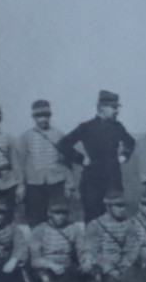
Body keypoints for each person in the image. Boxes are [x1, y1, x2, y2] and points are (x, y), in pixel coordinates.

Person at [59, 90, 137, 224]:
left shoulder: (118, 127)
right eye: (113, 107)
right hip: (91, 180)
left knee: (115, 216)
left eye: (117, 107)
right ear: (102, 107)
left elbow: (130, 142)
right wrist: (81, 159)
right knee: (93, 218)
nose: (116, 111)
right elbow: (63, 144)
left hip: (113, 179)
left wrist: (124, 156)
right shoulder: (86, 127)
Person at [18, 99, 74, 226]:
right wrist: (21, 184)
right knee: (35, 216)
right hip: (34, 182)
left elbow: (66, 161)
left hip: (57, 181)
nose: (43, 119)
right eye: (39, 116)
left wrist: (69, 184)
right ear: (34, 118)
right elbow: (21, 162)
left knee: (59, 213)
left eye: (46, 116)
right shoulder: (26, 136)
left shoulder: (59, 135)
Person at [82, 194, 143, 279]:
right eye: (118, 206)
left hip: (122, 265)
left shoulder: (128, 224)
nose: (122, 209)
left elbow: (133, 248)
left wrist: (125, 265)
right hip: (101, 266)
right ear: (108, 207)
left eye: (123, 206)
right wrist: (108, 269)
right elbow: (93, 251)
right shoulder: (95, 225)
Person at [28, 200, 85, 282]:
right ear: (49, 214)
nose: (61, 216)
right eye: (57, 213)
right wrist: (52, 265)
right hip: (46, 269)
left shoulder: (74, 228)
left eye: (64, 213)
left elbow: (82, 250)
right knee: (45, 281)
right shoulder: (39, 230)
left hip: (67, 267)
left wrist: (85, 260)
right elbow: (35, 259)